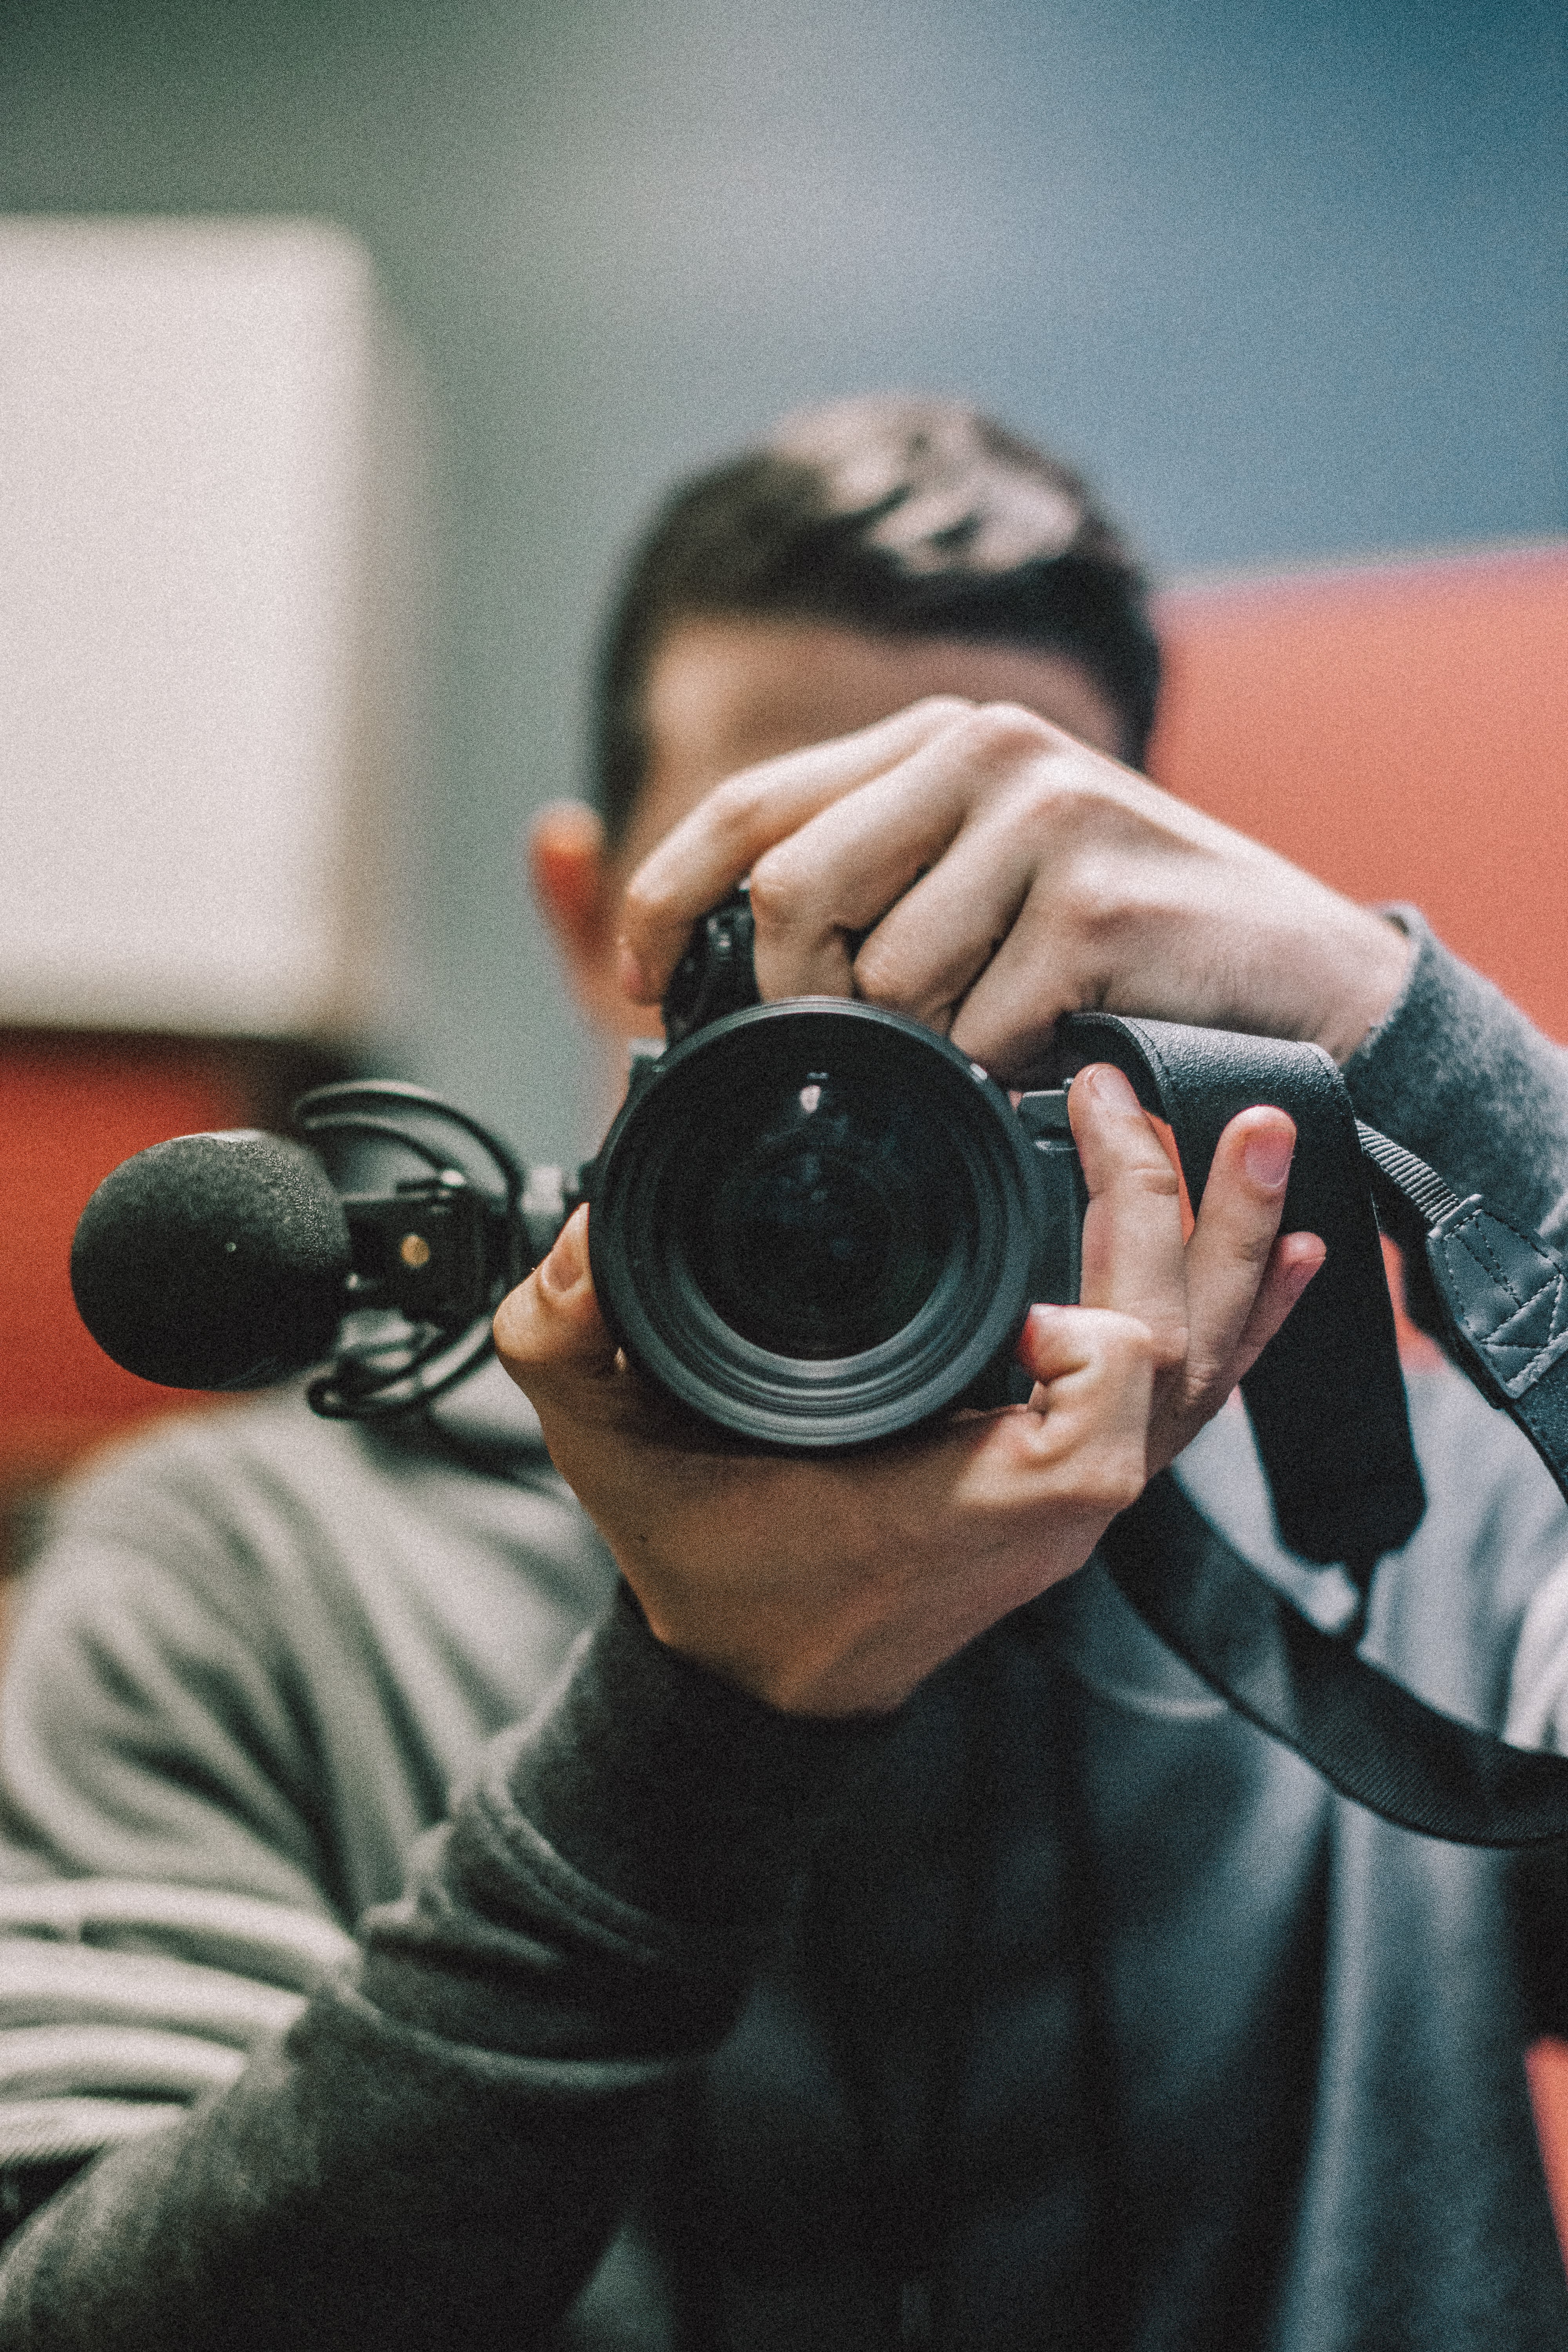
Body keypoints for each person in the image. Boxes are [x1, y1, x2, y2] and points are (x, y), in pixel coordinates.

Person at [0, 396, 1565, 2350]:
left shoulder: (1407, 1530)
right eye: (773, 922)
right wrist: (706, 1719)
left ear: (1148, 945)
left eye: (985, 919)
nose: (874, 1043)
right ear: (592, 923)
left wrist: (1405, 1041)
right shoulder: (232, 1583)